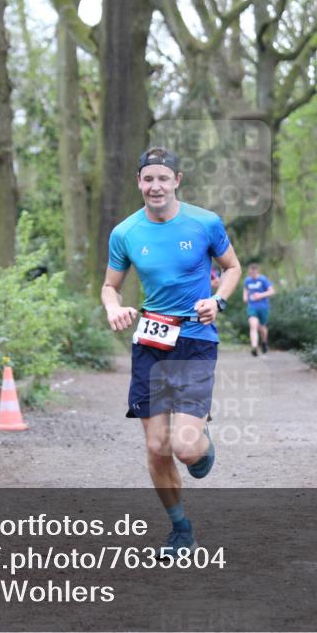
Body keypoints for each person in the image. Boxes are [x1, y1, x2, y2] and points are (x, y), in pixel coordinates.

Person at [101, 147, 241, 556]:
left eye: (163, 178)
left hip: (196, 340)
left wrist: (218, 301)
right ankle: (181, 529)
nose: (155, 186)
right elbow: (111, 285)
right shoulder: (125, 232)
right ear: (139, 182)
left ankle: (202, 442)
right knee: (157, 448)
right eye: (148, 179)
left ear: (177, 180)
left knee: (185, 447)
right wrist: (114, 307)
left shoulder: (205, 223)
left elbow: (232, 267)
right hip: (149, 342)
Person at [243, 263, 275, 357]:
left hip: (263, 307)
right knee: (253, 326)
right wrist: (245, 297)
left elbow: (272, 291)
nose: (252, 274)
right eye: (250, 272)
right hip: (252, 307)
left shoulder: (263, 279)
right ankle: (254, 347)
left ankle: (264, 342)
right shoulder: (247, 280)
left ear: (257, 271)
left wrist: (260, 295)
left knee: (262, 328)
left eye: (254, 272)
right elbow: (245, 290)